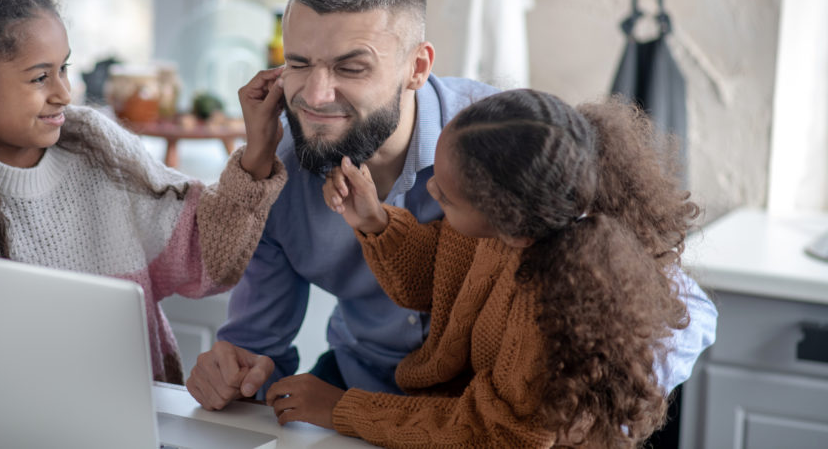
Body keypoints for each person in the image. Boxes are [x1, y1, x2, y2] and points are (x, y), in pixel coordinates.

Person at [186, 0, 716, 412]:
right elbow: (259, 348)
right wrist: (238, 373)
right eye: (299, 63)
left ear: (418, 68)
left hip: (491, 407)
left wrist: (583, 405)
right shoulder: (268, 168)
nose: (317, 95)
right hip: (354, 390)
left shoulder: (509, 143)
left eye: (351, 68)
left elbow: (688, 315)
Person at [0, 0, 287, 384]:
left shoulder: (95, 142)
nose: (64, 92)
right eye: (40, 78)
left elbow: (207, 256)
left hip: (134, 409)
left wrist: (258, 152)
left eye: (64, 69)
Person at [277, 89, 697, 447]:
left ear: (511, 229)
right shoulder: (508, 228)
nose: (430, 188)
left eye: (446, 198)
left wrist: (343, 409)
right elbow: (439, 278)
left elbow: (492, 433)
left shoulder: (547, 316)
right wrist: (375, 222)